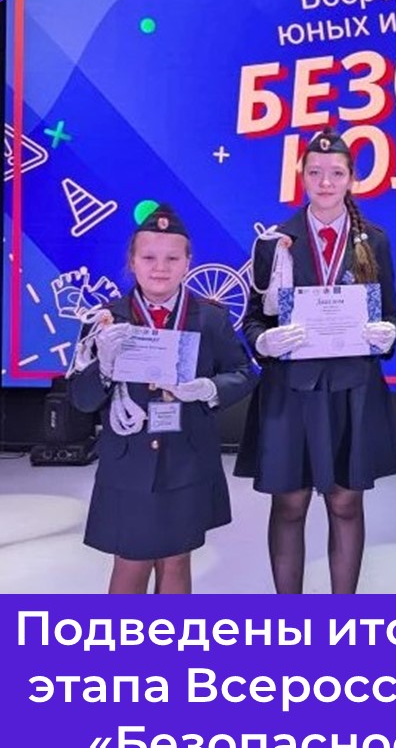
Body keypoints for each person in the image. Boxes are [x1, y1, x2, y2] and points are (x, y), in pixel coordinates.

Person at [235, 128, 396, 593]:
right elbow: (253, 319)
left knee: (346, 503)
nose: (325, 182)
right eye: (315, 172)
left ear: (352, 178)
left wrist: (387, 336)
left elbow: (390, 314)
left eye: (336, 173)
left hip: (353, 389)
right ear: (302, 177)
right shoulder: (275, 243)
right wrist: (264, 341)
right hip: (290, 390)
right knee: (289, 504)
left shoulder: (373, 240)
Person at [68, 203, 256, 594]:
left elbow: (243, 372)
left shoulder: (210, 318)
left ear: (188, 262)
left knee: (176, 561)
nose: (160, 267)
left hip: (187, 459)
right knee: (131, 561)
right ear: (132, 262)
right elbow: (82, 400)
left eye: (172, 258)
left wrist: (209, 389)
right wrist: (104, 367)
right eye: (149, 257)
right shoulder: (105, 320)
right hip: (128, 464)